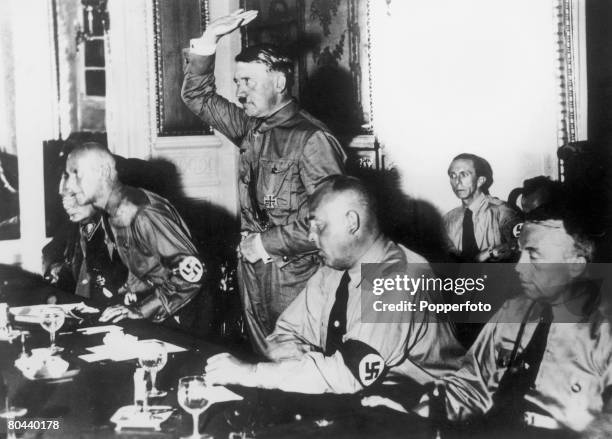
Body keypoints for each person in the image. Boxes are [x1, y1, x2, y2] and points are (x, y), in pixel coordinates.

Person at [366, 198, 612, 436]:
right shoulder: (512, 312)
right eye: (520, 253)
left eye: (534, 256)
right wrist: (414, 417)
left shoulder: (604, 335)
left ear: (576, 265)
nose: (518, 267)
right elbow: (471, 387)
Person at [182, 9, 346, 353]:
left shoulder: (311, 139)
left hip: (297, 281)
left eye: (248, 82)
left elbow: (331, 224)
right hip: (253, 277)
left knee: (297, 371)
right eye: (238, 82)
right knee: (263, 366)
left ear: (280, 83)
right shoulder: (251, 128)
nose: (240, 93)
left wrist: (266, 244)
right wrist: (209, 38)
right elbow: (197, 97)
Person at [204, 176, 464, 394]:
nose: (310, 236)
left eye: (318, 226)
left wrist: (252, 373)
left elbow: (349, 373)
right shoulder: (333, 270)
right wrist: (300, 368)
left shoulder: (398, 277)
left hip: (424, 407)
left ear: (352, 222)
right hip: (360, 399)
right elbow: (284, 333)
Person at [61, 142, 205, 328]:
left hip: (183, 321)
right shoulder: (111, 212)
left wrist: (141, 310)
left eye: (76, 174)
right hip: (160, 313)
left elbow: (191, 275)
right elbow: (146, 265)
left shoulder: (143, 213)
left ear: (103, 172)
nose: (69, 186)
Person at [43, 186, 128, 305]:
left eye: (74, 195)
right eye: (64, 197)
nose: (67, 204)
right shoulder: (72, 225)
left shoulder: (117, 226)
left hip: (117, 306)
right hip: (81, 305)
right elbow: (50, 250)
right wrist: (54, 267)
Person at [444, 153, 520, 262]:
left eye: (464, 175)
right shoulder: (448, 220)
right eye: (453, 176)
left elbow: (521, 245)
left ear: (480, 181)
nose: (457, 182)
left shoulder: (502, 212)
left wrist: (490, 254)